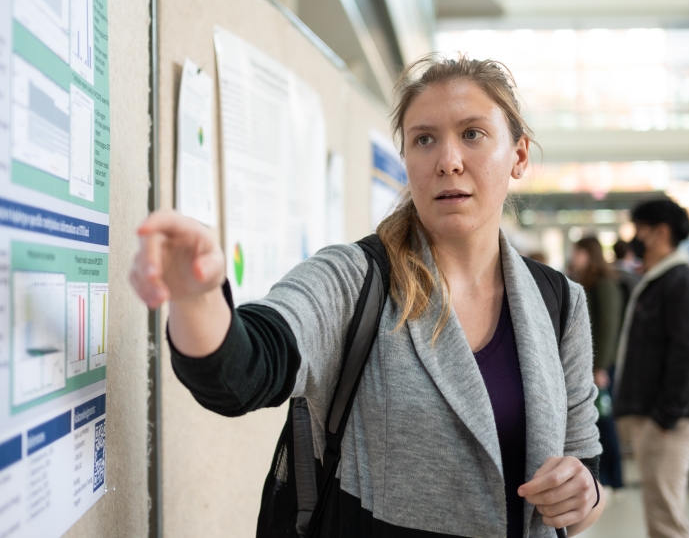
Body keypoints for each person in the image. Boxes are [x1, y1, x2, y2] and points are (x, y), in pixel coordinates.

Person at [130, 55, 605, 537]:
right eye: (424, 139)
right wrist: (197, 296)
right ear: (407, 159)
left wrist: (584, 490)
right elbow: (248, 366)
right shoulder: (356, 278)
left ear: (519, 156)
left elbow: (586, 472)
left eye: (472, 134)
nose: (448, 161)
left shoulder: (558, 303)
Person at [613, 199, 689, 538]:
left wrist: (666, 417)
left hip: (672, 423)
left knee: (666, 520)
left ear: (660, 232)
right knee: (660, 513)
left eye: (638, 228)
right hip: (659, 417)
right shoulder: (659, 280)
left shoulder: (679, 284)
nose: (634, 237)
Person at [570, 237, 625, 490]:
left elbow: (608, 328)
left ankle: (614, 477)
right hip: (589, 364)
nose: (574, 257)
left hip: (600, 365)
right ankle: (602, 475)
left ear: (588, 253)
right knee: (596, 419)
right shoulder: (585, 281)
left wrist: (600, 367)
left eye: (577, 252)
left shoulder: (604, 284)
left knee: (605, 419)